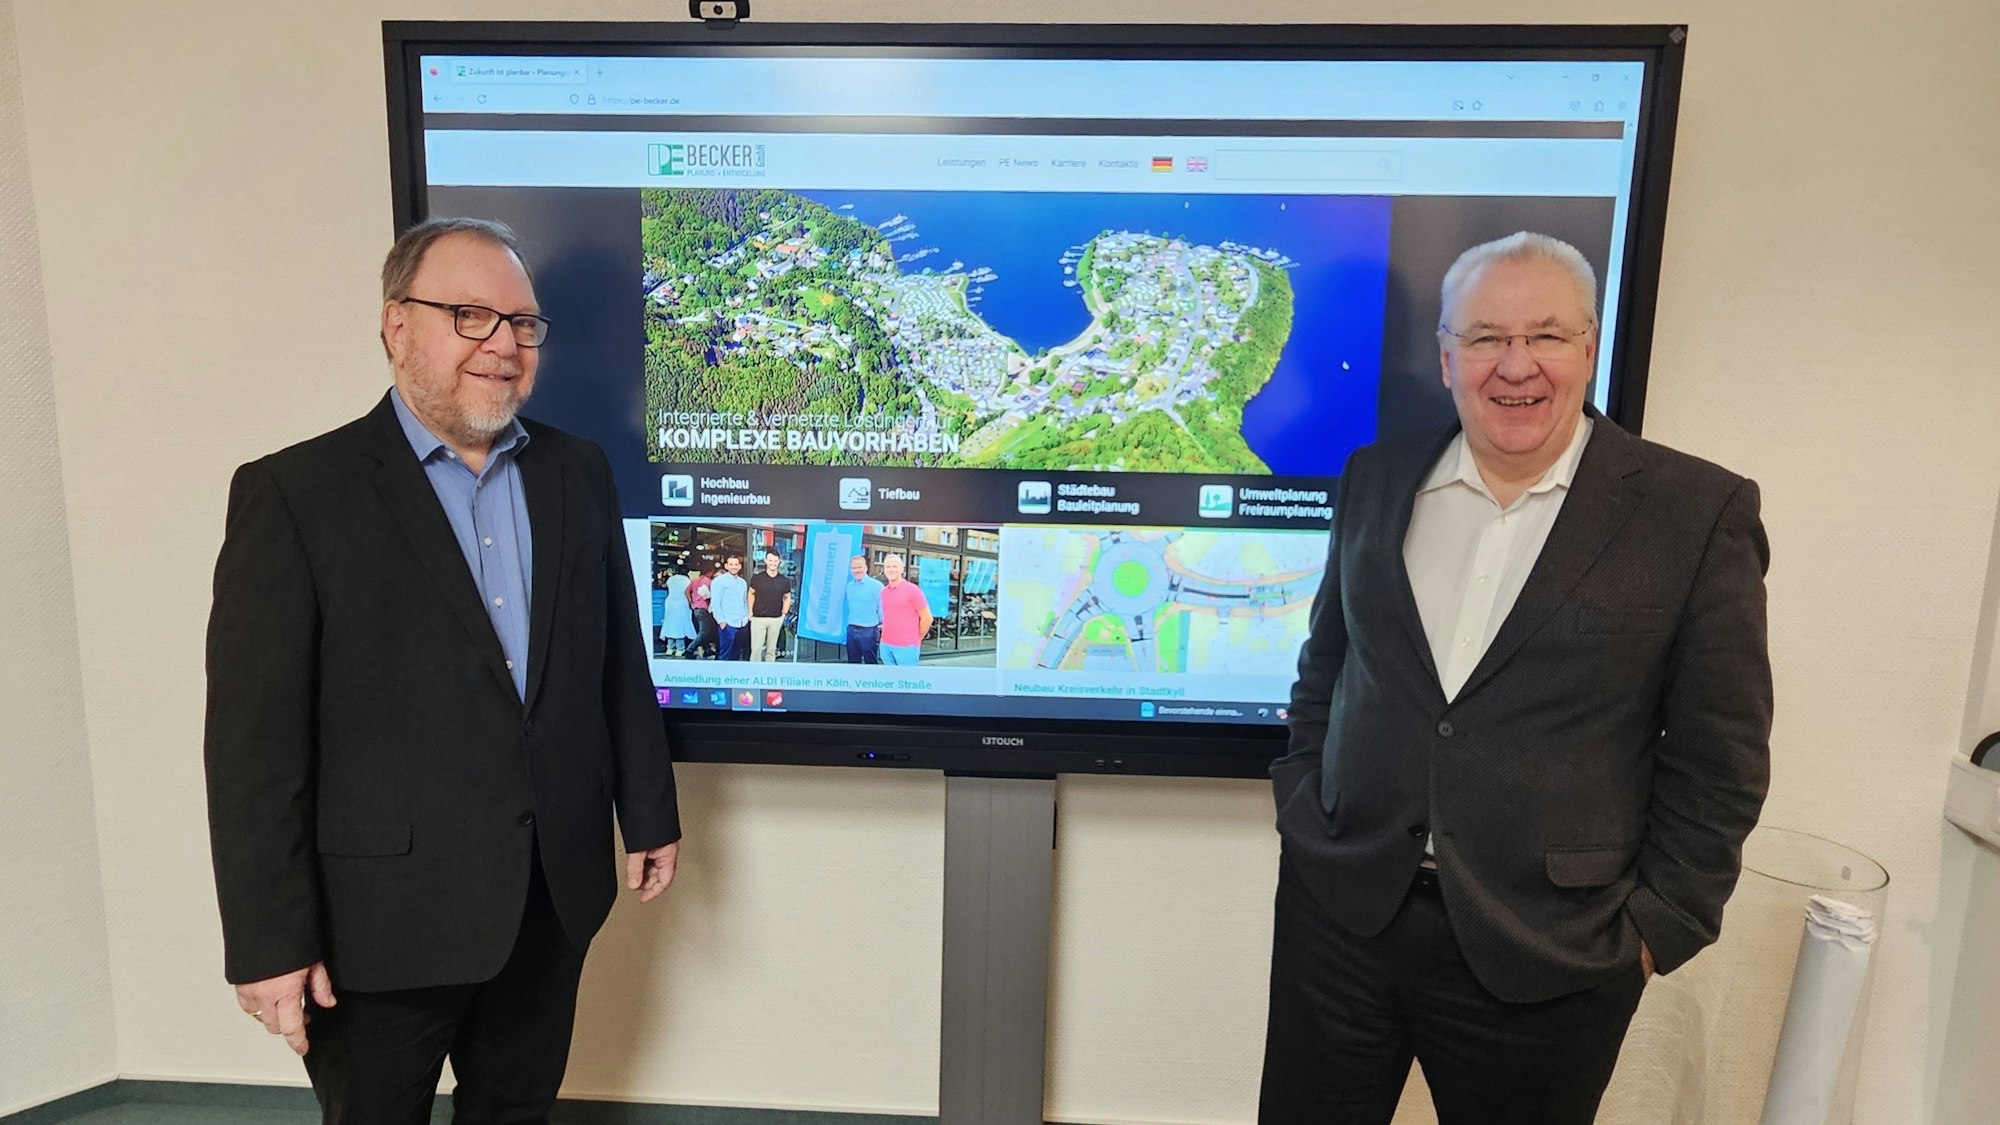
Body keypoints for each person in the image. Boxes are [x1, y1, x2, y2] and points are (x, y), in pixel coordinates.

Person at [1261, 232, 1772, 1125]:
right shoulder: (1377, 479)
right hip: (1342, 915)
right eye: (1488, 337)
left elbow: (1721, 751)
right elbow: (1328, 667)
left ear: (1588, 347)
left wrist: (1656, 929)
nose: (1516, 365)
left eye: (1545, 334)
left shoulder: (1696, 512)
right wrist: (1304, 798)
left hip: (1551, 950)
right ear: (1448, 356)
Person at [204, 217, 683, 1125]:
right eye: (470, 315)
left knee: (516, 1113)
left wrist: (648, 808)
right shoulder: (295, 495)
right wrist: (267, 941)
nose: (503, 345)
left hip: (550, 895)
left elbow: (617, 656)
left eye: (522, 323)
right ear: (396, 327)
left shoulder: (577, 473)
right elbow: (252, 747)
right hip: (377, 929)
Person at [878, 553, 934, 666]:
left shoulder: (913, 590)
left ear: (901, 569)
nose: (891, 569)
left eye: (894, 566)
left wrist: (916, 639)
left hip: (906, 648)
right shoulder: (883, 592)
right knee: (891, 681)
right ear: (884, 570)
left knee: (907, 682)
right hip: (885, 646)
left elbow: (927, 618)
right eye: (888, 567)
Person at [746, 550, 794, 662]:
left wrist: (783, 614)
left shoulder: (784, 581)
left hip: (776, 619)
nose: (773, 563)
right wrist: (750, 612)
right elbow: (751, 594)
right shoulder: (757, 578)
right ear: (766, 561)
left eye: (775, 561)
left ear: (779, 562)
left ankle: (769, 675)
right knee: (756, 650)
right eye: (771, 560)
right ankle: (755, 674)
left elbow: (787, 597)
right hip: (758, 618)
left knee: (771, 651)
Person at [844, 554, 884, 664]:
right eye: (854, 568)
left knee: (870, 663)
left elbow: (882, 607)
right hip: (852, 629)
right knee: (852, 663)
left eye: (859, 567)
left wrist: (882, 625)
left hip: (869, 630)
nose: (857, 570)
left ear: (866, 568)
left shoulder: (877, 586)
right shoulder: (849, 587)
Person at [709, 554, 750, 661]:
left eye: (736, 564)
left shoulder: (743, 583)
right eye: (731, 564)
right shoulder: (718, 582)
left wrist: (745, 618)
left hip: (741, 623)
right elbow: (715, 603)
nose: (734, 567)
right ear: (726, 566)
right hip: (727, 624)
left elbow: (744, 601)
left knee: (736, 655)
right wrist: (721, 621)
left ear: (740, 566)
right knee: (724, 655)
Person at [659, 563, 697, 658]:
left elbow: (665, 586)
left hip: (670, 603)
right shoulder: (687, 580)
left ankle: (670, 648)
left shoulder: (671, 579)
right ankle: (680, 649)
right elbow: (688, 593)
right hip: (681, 603)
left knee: (670, 624)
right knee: (681, 626)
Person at [686, 564, 716, 659]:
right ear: (710, 572)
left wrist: (691, 602)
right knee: (704, 632)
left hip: (696, 608)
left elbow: (687, 591)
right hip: (704, 608)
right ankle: (689, 649)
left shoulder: (695, 580)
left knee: (703, 630)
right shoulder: (708, 581)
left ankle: (707, 650)